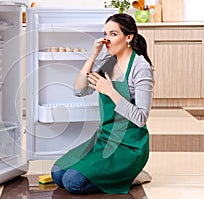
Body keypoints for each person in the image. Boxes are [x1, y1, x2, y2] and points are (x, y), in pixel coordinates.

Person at [51, 13, 154, 194]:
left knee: (72, 182)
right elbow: (79, 90)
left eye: (113, 34)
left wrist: (110, 92)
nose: (107, 40)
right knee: (57, 173)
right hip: (104, 139)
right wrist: (93, 55)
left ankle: (130, 176)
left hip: (129, 145)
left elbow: (140, 118)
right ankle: (118, 175)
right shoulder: (109, 62)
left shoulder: (140, 67)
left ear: (128, 37)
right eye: (105, 34)